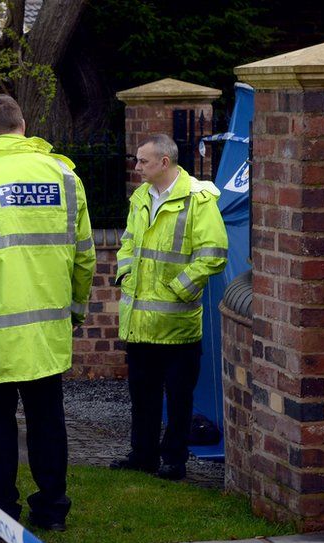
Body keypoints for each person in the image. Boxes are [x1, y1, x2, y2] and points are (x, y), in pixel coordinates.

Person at [0, 94, 95, 536]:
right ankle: (52, 509)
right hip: (47, 332)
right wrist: (75, 312)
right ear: (23, 126)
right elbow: (84, 256)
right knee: (47, 422)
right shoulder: (66, 176)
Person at [109, 133, 227, 481]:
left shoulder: (198, 200)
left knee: (178, 398)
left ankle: (174, 459)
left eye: (142, 160)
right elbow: (128, 241)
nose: (136, 166)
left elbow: (214, 251)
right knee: (141, 395)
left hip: (177, 325)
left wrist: (180, 288)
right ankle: (142, 455)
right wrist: (125, 271)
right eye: (136, 159)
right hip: (140, 321)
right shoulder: (141, 197)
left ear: (165, 162)